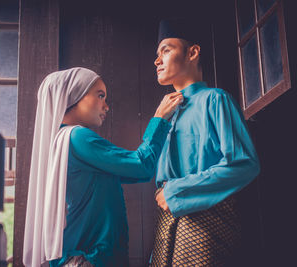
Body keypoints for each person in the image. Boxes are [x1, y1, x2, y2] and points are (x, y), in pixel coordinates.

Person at [23, 67, 183, 267]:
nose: (106, 106)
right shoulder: (77, 136)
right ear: (74, 96)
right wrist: (160, 118)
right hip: (89, 258)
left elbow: (130, 172)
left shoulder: (60, 140)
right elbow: (141, 166)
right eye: (100, 96)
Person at [150, 19, 260, 266]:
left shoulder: (215, 99)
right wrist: (158, 120)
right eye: (157, 54)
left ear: (192, 52)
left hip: (205, 227)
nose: (157, 60)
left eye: (166, 50)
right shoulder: (165, 113)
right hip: (166, 229)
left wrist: (177, 191)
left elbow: (244, 164)